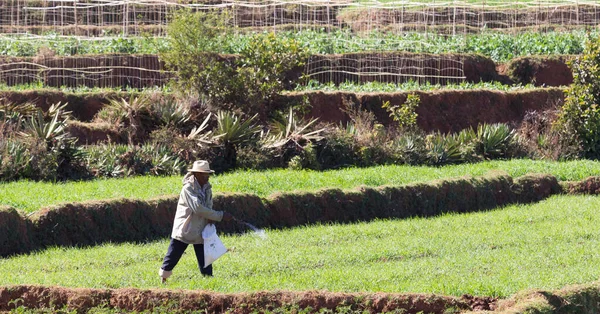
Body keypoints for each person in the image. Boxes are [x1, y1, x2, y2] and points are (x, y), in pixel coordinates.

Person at [159, 160, 233, 283]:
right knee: (173, 255)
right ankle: (163, 278)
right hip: (186, 227)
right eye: (205, 174)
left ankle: (208, 281)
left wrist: (211, 218)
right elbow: (197, 208)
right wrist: (219, 216)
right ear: (197, 174)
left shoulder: (207, 188)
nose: (207, 176)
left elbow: (207, 206)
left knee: (205, 257)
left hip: (201, 227)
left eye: (208, 174)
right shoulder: (188, 188)